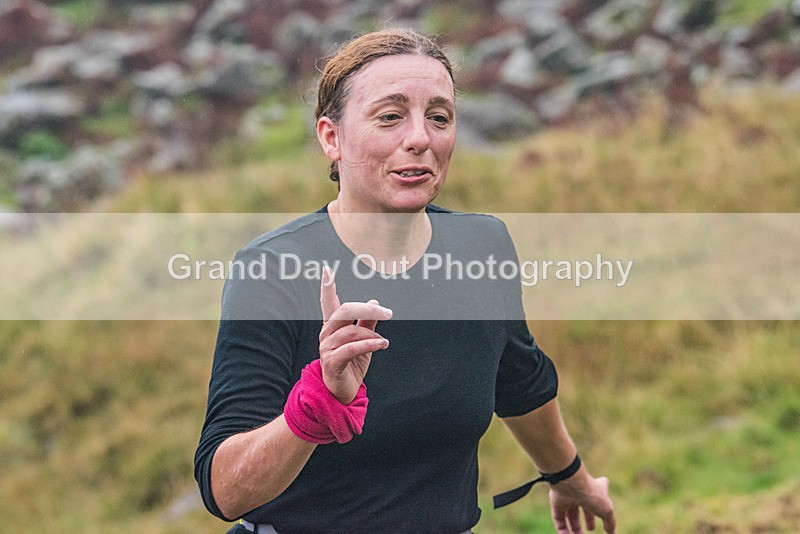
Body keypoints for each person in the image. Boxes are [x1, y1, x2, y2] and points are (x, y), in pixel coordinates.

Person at [194, 28, 616, 534]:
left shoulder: (481, 246)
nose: (420, 138)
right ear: (332, 137)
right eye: (390, 116)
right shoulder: (272, 269)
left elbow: (519, 379)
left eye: (439, 117)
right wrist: (320, 404)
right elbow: (224, 490)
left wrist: (570, 478)